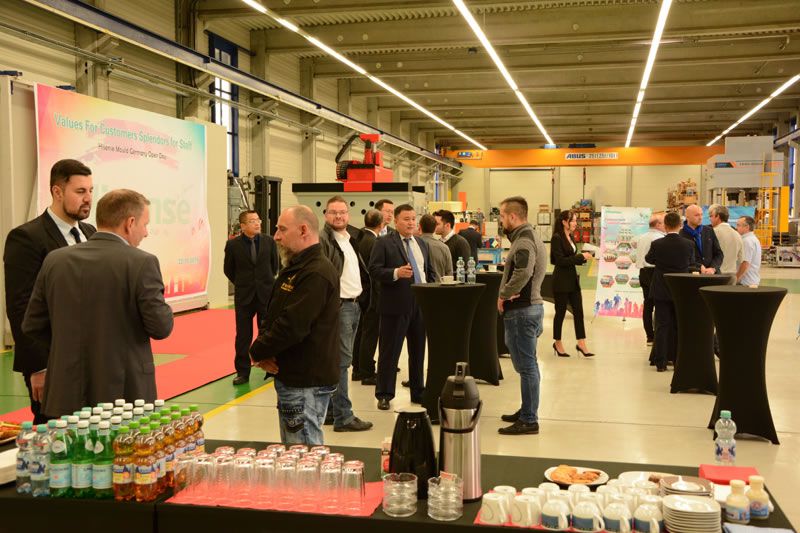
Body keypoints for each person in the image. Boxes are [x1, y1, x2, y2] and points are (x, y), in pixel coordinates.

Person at [22, 189, 174, 419]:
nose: (146, 232)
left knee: (69, 443)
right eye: (145, 225)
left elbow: (32, 325)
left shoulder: (55, 260)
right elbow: (161, 327)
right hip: (125, 394)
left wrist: (67, 348)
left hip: (65, 390)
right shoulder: (142, 263)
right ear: (130, 223)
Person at [3, 159, 96, 424]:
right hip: (51, 359)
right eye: (80, 191)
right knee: (54, 429)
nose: (88, 198)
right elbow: (20, 307)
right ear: (57, 192)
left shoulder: (90, 232)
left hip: (90, 357)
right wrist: (38, 367)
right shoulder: (27, 238)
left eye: (90, 190)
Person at [249, 206, 340, 445]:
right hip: (294, 375)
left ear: (303, 230)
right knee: (296, 451)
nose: (276, 236)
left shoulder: (316, 273)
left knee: (303, 454)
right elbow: (274, 313)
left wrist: (257, 351)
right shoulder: (296, 268)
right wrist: (265, 351)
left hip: (305, 380)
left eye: (282, 229)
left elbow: (292, 325)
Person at [368, 204, 435, 411]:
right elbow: (374, 270)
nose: (411, 223)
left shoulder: (421, 243)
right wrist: (396, 273)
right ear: (396, 221)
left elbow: (428, 272)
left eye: (414, 219)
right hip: (395, 305)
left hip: (420, 304)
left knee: (418, 351)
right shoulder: (383, 243)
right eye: (406, 219)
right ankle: (385, 394)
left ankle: (418, 391)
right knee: (390, 352)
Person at [319, 196, 373, 432]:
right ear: (325, 215)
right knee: (342, 363)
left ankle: (332, 412)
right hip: (340, 307)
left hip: (354, 305)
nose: (339, 216)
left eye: (342, 212)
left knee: (339, 361)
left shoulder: (348, 238)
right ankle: (344, 416)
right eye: (333, 212)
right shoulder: (324, 241)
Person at [496, 196, 547, 435]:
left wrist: (504, 294)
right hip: (527, 310)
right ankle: (527, 409)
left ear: (513, 216)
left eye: (502, 216)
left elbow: (524, 272)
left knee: (527, 367)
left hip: (522, 311)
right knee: (527, 365)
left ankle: (529, 419)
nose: (500, 220)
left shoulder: (524, 240)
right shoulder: (527, 236)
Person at [224, 210, 279, 386]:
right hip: (244, 296)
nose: (257, 223)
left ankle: (271, 368)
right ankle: (242, 372)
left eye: (258, 220)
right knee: (243, 336)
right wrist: (243, 283)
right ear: (243, 226)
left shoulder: (269, 241)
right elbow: (228, 270)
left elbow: (275, 266)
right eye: (252, 221)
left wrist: (265, 283)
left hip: (265, 295)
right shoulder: (233, 245)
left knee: (268, 333)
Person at [645, 211, 698, 372]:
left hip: (661, 288)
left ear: (666, 226)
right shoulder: (688, 244)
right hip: (679, 289)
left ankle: (660, 362)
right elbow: (692, 262)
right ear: (680, 225)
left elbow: (649, 259)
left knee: (661, 325)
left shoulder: (657, 244)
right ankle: (676, 360)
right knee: (677, 325)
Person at [550, 210, 594, 358]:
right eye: (573, 220)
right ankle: (557, 342)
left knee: (579, 312)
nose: (576, 223)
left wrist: (583, 258)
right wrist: (580, 257)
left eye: (576, 220)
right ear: (564, 222)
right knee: (560, 313)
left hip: (572, 279)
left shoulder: (571, 237)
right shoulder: (557, 238)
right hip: (561, 280)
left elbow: (571, 258)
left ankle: (581, 343)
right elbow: (560, 261)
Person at [353, 209, 384, 384]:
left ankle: (357, 368)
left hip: (359, 292)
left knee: (360, 333)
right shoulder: (375, 243)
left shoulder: (358, 239)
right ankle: (367, 371)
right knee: (370, 334)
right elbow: (375, 273)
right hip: (372, 294)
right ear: (381, 224)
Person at [635, 213, 665, 346]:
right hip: (655, 273)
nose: (665, 225)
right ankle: (658, 335)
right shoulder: (660, 238)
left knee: (647, 305)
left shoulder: (641, 237)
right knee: (659, 304)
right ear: (657, 224)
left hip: (643, 272)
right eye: (663, 223)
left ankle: (649, 336)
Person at [680, 204, 723, 274]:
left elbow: (719, 254)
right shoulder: (681, 235)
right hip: (693, 275)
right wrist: (699, 267)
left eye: (701, 214)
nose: (700, 218)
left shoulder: (709, 230)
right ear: (687, 217)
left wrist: (713, 268)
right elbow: (683, 259)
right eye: (696, 215)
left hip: (712, 274)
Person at [708, 204, 743, 278]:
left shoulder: (712, 232)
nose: (709, 219)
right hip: (731, 276)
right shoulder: (737, 235)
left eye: (711, 216)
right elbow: (741, 259)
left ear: (718, 217)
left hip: (715, 275)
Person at [419, 214, 453, 282]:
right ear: (435, 228)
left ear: (420, 227)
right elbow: (449, 273)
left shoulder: (414, 245)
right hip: (439, 286)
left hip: (419, 287)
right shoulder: (444, 247)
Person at [736, 216, 761, 286]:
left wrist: (736, 278)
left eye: (738, 225)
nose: (736, 228)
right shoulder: (753, 239)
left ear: (747, 227)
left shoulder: (746, 241)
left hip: (745, 282)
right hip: (751, 281)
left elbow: (745, 263)